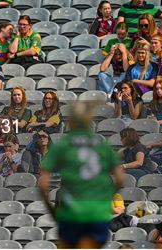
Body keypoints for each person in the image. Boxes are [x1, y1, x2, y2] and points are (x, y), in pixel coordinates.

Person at [39, 103, 124, 249]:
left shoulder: (63, 144)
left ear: (71, 122)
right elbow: (121, 178)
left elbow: (42, 182)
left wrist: (52, 210)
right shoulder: (101, 144)